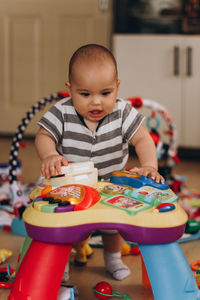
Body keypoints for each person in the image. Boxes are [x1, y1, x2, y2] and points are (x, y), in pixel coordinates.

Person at [35, 44, 164, 281]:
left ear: (116, 87)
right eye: (85, 94)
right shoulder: (61, 112)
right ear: (70, 89)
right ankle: (60, 264)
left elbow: (143, 138)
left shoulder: (123, 111)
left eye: (105, 93)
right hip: (71, 185)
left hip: (110, 184)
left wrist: (150, 166)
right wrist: (50, 154)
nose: (96, 102)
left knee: (112, 224)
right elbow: (44, 136)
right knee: (65, 224)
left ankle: (113, 258)